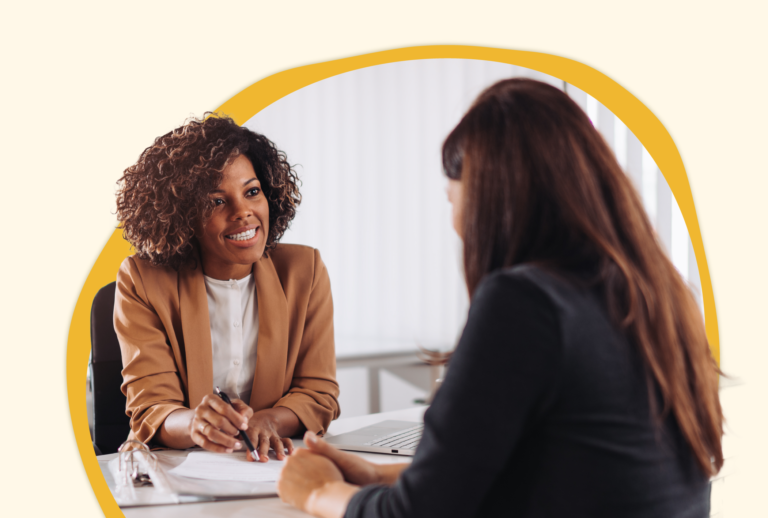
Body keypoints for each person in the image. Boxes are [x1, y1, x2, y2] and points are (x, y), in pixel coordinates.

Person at [276, 78, 723, 517]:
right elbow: (566, 472)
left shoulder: (525, 303)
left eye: (452, 200)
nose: (454, 223)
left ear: (488, 199)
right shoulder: (659, 296)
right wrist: (377, 477)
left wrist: (318, 492)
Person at [114, 114, 340, 462]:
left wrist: (268, 421)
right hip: (175, 471)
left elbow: (318, 393)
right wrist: (195, 424)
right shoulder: (142, 279)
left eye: (252, 192)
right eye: (216, 201)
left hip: (268, 466)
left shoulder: (303, 271)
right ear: (182, 215)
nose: (243, 212)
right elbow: (152, 407)